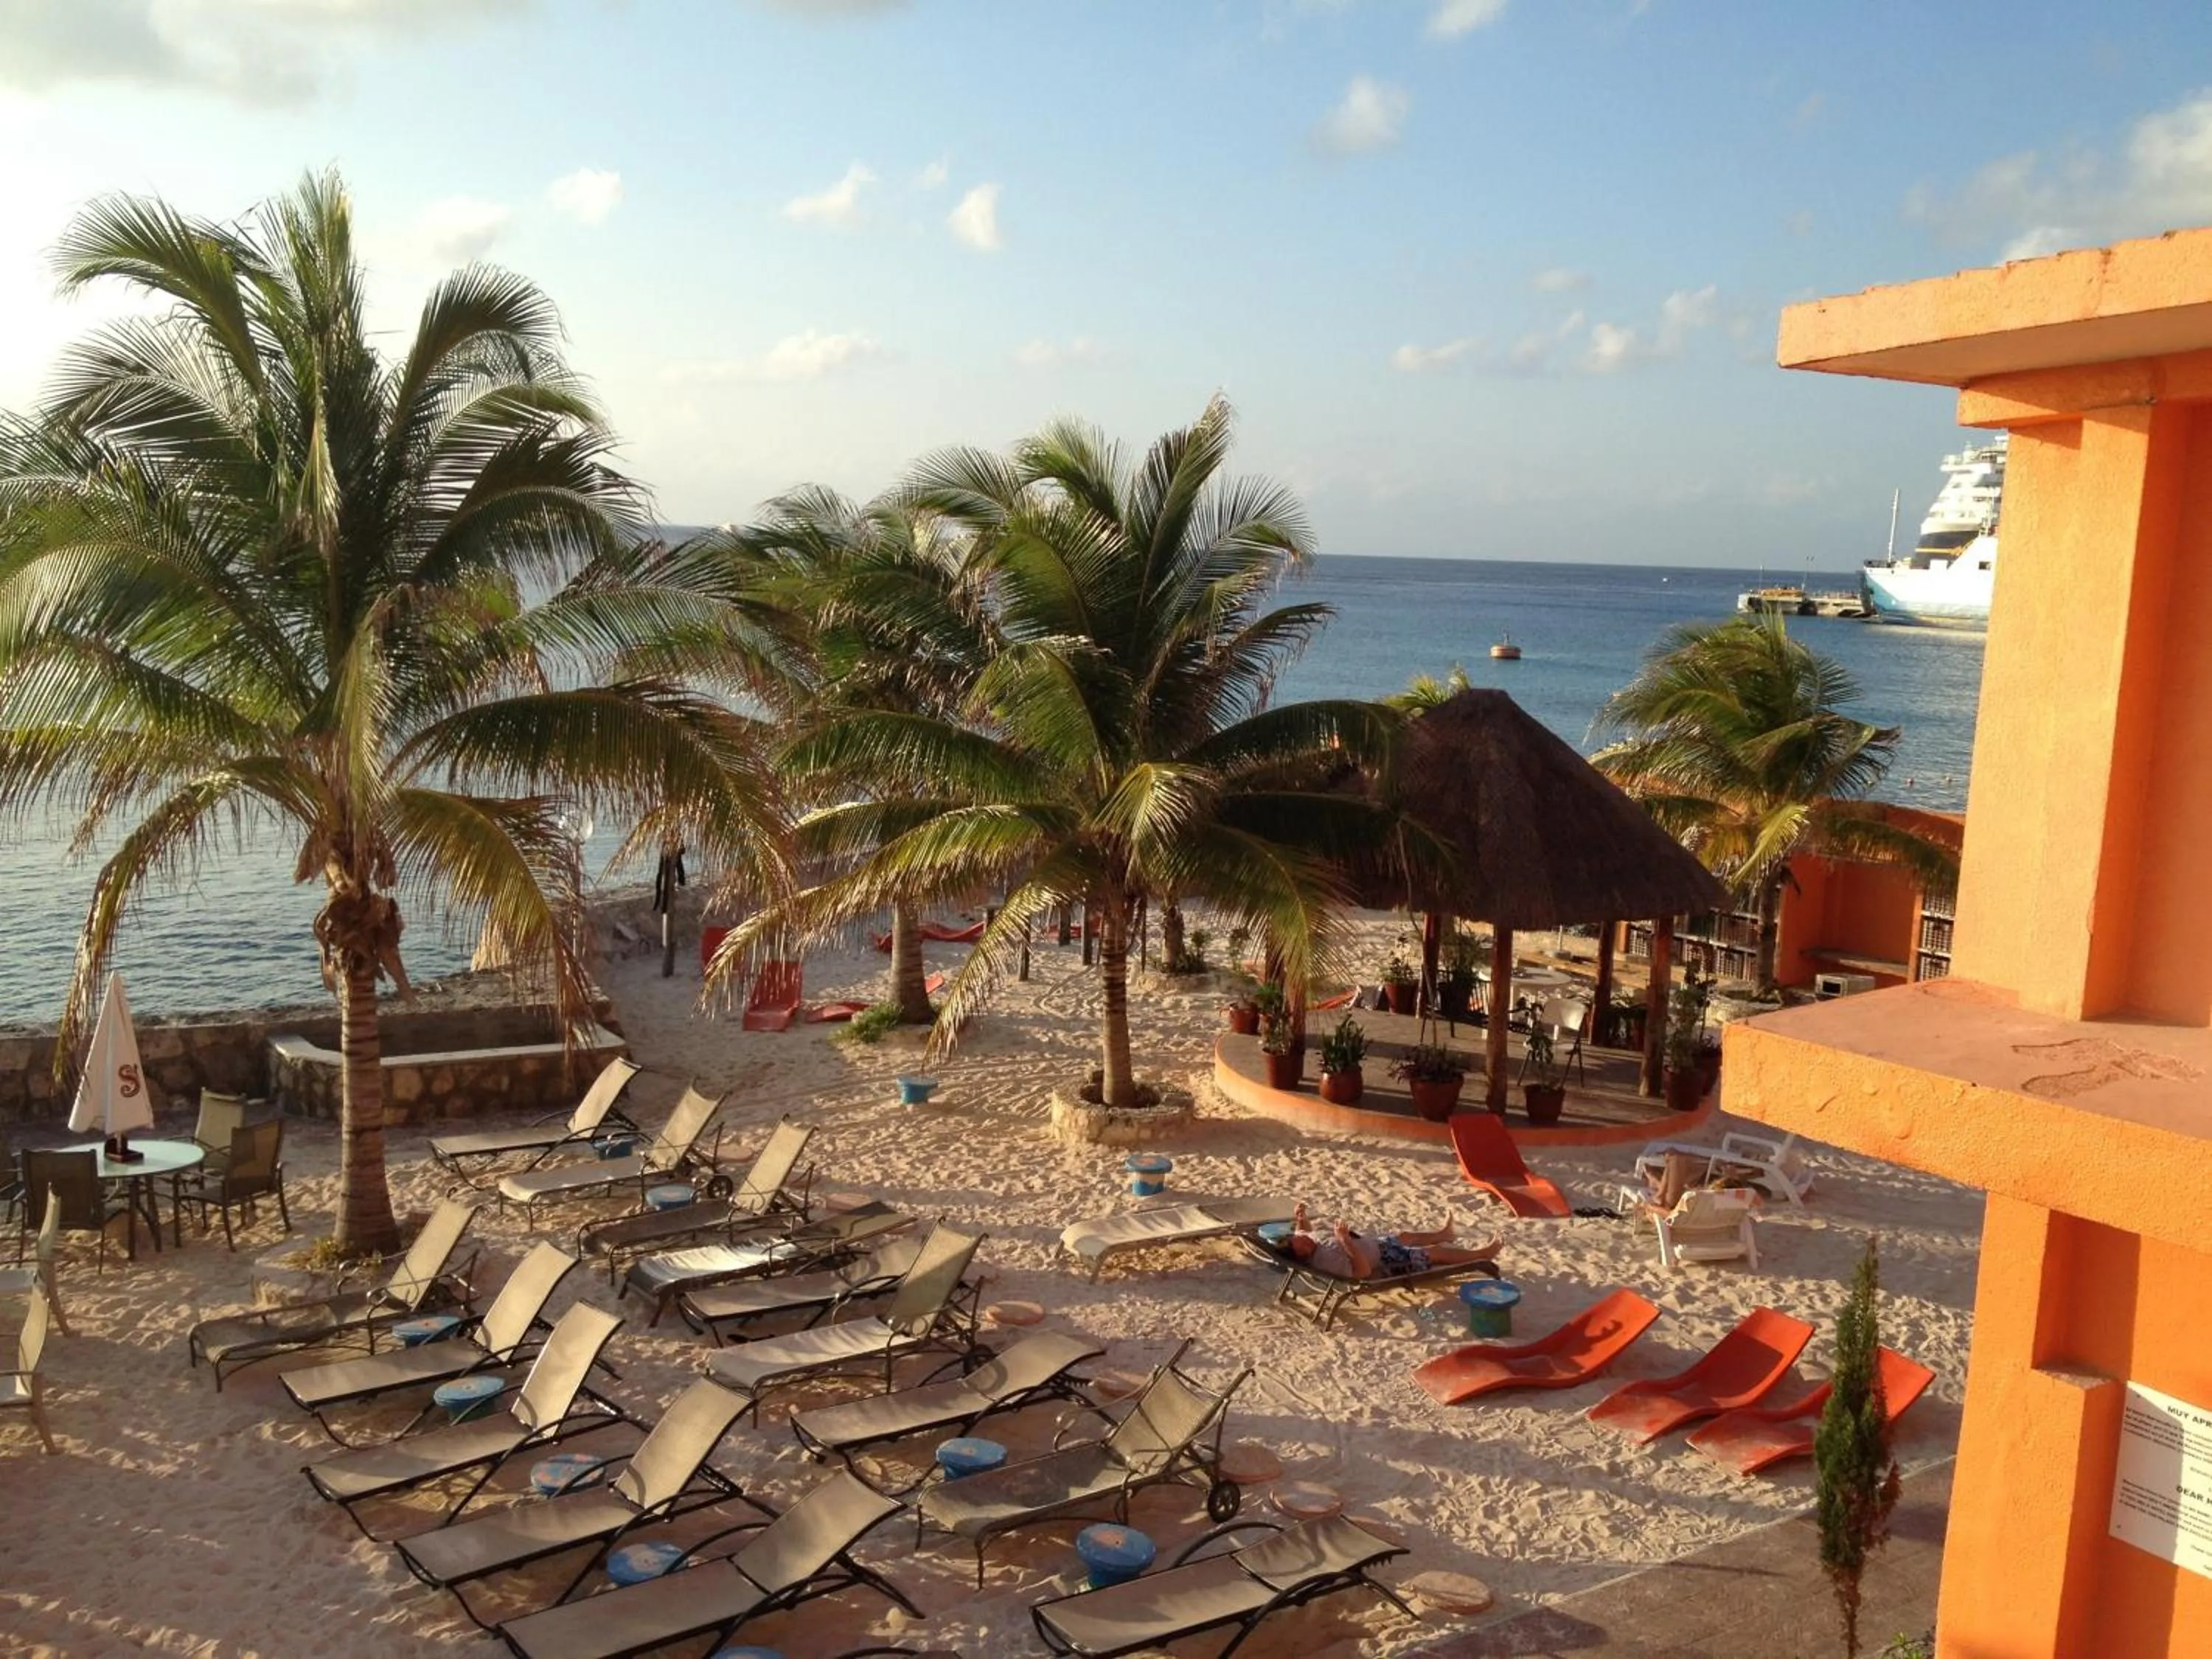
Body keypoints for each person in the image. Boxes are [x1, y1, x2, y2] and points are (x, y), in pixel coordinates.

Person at [1281, 1202, 1499, 1279]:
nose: (1306, 1240)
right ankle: (1482, 1255)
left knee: (1406, 1236)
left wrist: (1301, 1218)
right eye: (1303, 1244)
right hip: (1385, 1261)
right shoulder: (1326, 1260)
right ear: (1302, 1255)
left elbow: (1303, 1231)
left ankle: (1444, 1233)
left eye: (1300, 1239)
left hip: (1377, 1245)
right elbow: (1363, 1273)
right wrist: (1345, 1241)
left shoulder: (1304, 1242)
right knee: (1436, 1253)